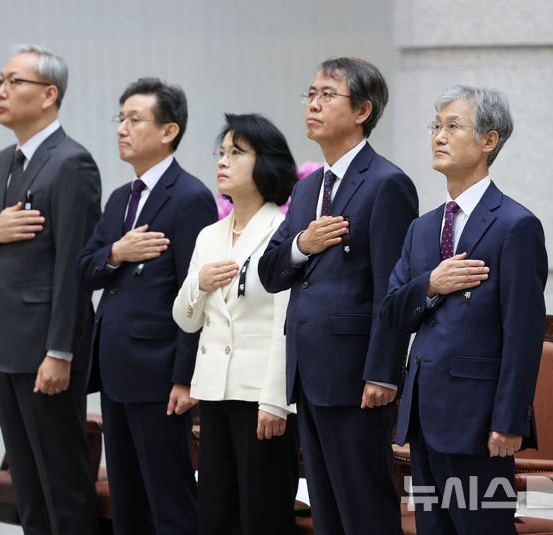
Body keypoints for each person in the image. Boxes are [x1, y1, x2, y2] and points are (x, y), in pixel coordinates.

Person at [258, 57, 418, 534]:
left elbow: (394, 288)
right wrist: (303, 245)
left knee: (363, 508)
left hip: (356, 378)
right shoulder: (307, 189)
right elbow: (270, 272)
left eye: (328, 94)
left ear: (363, 109)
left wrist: (383, 373)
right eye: (310, 94)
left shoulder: (387, 183)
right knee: (326, 510)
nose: (313, 104)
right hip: (307, 371)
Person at [381, 85, 548, 534]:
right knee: (432, 528)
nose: (438, 135)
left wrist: (509, 420)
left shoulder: (516, 226)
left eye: (453, 126)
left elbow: (523, 334)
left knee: (481, 527)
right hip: (422, 417)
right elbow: (393, 312)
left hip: (478, 421)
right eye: (435, 126)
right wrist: (431, 284)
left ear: (489, 141)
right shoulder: (422, 228)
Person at [0, 45, 101, 534]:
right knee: (28, 486)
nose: (1, 91)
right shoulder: (0, 163)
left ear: (48, 95)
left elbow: (72, 270)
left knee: (62, 482)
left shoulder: (71, 163)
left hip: (45, 351)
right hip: (3, 349)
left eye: (14, 82)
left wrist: (60, 350)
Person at [77, 77, 217, 535]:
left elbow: (194, 294)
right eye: (120, 119)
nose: (122, 128)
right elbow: (84, 270)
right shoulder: (121, 198)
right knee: (127, 501)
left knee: (169, 499)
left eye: (134, 119)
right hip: (116, 370)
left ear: (168, 131)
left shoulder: (190, 197)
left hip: (160, 374)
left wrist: (184, 376)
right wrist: (117, 252)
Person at [172, 113, 299, 535]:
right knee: (215, 512)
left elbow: (286, 321)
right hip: (215, 390)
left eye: (236, 153)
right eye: (221, 153)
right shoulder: (209, 234)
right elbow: (186, 320)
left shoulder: (283, 231)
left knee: (261, 513)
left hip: (260, 396)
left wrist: (275, 400)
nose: (222, 161)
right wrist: (198, 283)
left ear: (266, 163)